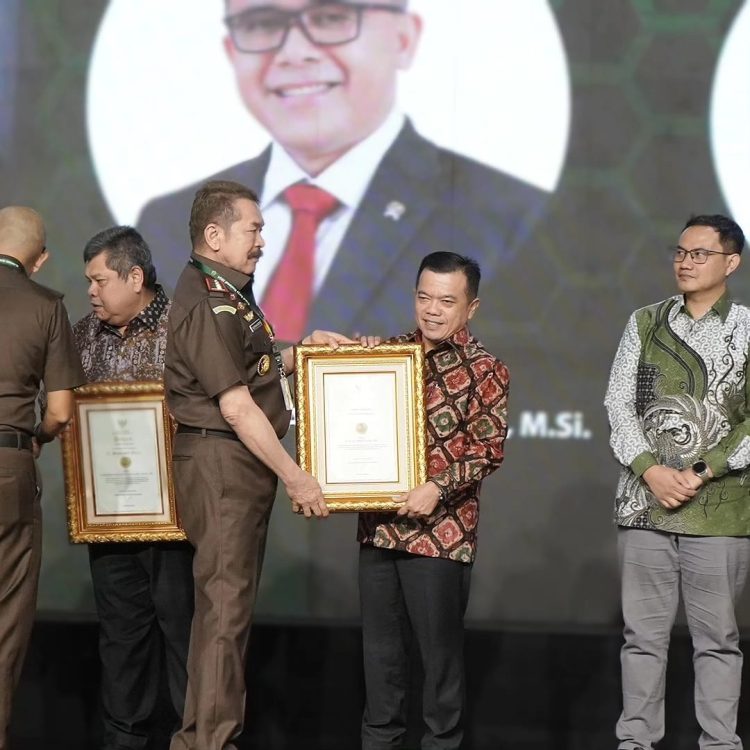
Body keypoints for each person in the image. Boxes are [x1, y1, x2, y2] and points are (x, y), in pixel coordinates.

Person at [137, 0, 548, 340]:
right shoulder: (169, 220)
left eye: (331, 18)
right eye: (261, 23)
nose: (295, 52)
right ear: (231, 52)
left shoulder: (507, 214)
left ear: (403, 39)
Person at [166, 179, 368, 750]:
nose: (261, 239)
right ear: (215, 234)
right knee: (224, 620)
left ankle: (199, 740)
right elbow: (234, 404)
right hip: (222, 465)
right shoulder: (207, 299)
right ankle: (210, 744)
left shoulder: (228, 290)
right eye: (253, 229)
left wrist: (300, 350)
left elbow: (244, 365)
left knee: (221, 619)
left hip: (231, 467)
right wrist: (296, 475)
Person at [604, 214, 750, 749]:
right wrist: (651, 470)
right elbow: (618, 403)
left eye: (699, 254)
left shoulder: (748, 329)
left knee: (717, 641)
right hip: (644, 505)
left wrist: (699, 471)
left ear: (730, 263)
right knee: (642, 639)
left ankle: (719, 744)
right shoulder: (644, 321)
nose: (685, 262)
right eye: (680, 252)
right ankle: (636, 742)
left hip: (720, 508)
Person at [357, 251, 509, 749]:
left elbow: (487, 449)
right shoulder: (385, 356)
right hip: (380, 529)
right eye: (424, 297)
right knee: (381, 669)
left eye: (447, 300)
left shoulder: (486, 368)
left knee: (439, 675)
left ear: (472, 307)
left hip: (441, 538)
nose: (433, 310)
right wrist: (343, 367)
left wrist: (437, 488)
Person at [72, 226, 194, 750]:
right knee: (120, 644)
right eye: (88, 282)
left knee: (185, 639)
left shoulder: (185, 328)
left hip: (179, 519)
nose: (92, 291)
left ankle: (193, 738)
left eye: (99, 280)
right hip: (109, 520)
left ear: (135, 276)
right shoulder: (80, 336)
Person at [0, 206, 85, 750]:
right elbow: (59, 410)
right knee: (6, 621)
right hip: (9, 464)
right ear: (41, 258)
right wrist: (38, 436)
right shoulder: (46, 305)